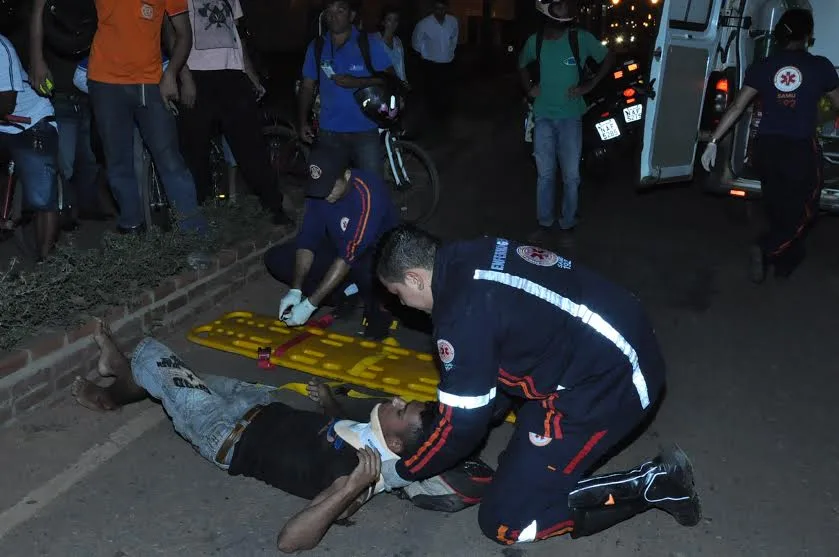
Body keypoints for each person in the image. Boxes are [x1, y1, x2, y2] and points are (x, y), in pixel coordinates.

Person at [373, 225, 702, 545]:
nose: (402, 305)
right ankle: (539, 474)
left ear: (414, 278)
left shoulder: (461, 317)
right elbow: (495, 366)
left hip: (611, 384)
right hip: (617, 339)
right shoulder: (472, 251)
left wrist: (403, 472)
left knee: (505, 522)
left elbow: (462, 428)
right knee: (514, 469)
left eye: (399, 295)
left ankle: (657, 482)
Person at [70, 321, 490, 552]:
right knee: (173, 377)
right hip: (256, 402)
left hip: (225, 432)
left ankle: (113, 388)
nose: (397, 399)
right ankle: (120, 374)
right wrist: (328, 402)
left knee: (153, 356)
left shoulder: (360, 475)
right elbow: (339, 431)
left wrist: (351, 491)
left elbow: (290, 541)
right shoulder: (375, 437)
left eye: (403, 410)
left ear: (396, 446)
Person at [701, 8, 839, 283]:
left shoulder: (764, 66)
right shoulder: (821, 67)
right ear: (809, 36)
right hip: (799, 150)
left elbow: (738, 106)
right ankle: (766, 249)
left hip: (764, 150)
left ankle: (784, 262)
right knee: (807, 208)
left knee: (778, 208)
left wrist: (713, 141)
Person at [86, 0, 206, 235]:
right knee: (118, 162)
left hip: (150, 83)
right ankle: (131, 227)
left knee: (170, 160)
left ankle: (194, 234)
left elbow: (183, 35)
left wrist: (173, 74)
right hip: (104, 82)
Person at [165, 3, 292, 224]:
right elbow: (171, 33)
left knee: (252, 146)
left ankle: (274, 208)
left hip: (233, 76)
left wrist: (250, 73)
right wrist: (184, 78)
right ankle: (198, 220)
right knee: (195, 152)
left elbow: (237, 34)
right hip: (197, 76)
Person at [264, 143, 399, 339]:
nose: (325, 195)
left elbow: (350, 254)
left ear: (346, 175)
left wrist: (311, 304)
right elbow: (308, 240)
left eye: (330, 188)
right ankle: (344, 292)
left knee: (367, 267)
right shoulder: (320, 192)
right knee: (277, 259)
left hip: (375, 253)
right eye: (319, 188)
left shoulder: (368, 193)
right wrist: (296, 289)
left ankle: (378, 313)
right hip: (340, 247)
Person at [518, 0, 614, 243]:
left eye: (566, 17)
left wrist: (589, 85)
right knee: (545, 175)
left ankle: (568, 222)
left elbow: (609, 57)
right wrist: (529, 88)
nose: (563, 20)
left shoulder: (579, 38)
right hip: (542, 117)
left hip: (571, 117)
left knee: (571, 176)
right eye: (559, 16)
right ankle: (545, 222)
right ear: (548, 17)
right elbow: (521, 65)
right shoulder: (535, 41)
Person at [29, 0, 107, 224]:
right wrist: (37, 60)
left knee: (89, 156)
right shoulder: (47, 8)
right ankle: (63, 209)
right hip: (59, 91)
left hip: (87, 90)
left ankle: (87, 206)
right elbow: (37, 21)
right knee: (65, 159)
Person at [297, 0, 394, 179]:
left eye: (340, 10)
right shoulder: (317, 46)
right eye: (329, 11)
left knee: (371, 187)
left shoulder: (368, 43)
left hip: (365, 130)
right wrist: (302, 122)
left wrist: (357, 82)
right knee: (330, 189)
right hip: (329, 132)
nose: (333, 16)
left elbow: (389, 77)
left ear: (351, 15)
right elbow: (307, 86)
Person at [0, 32, 60, 260]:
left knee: (42, 199)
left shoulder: (1, 47)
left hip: (30, 120)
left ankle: (45, 261)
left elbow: (6, 103)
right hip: (3, 125)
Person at [411, 0, 458, 134]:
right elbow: (416, 44)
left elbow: (454, 39)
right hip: (431, 66)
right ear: (433, 9)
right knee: (432, 95)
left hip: (448, 64)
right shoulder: (424, 24)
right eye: (437, 9)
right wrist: (427, 54)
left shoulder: (453, 21)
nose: (440, 12)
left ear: (447, 8)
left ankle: (445, 123)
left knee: (447, 94)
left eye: (443, 9)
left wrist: (450, 53)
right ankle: (433, 125)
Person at [375, 6, 408, 85]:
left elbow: (401, 65)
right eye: (389, 19)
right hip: (384, 84)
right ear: (383, 22)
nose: (393, 23)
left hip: (399, 85)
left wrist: (404, 81)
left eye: (395, 20)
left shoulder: (398, 41)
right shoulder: (375, 40)